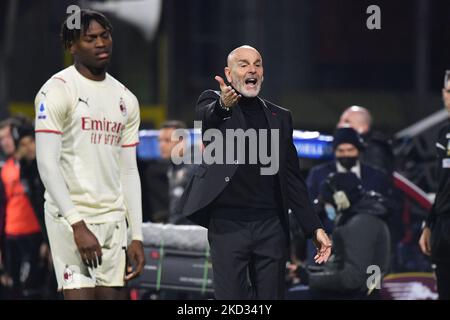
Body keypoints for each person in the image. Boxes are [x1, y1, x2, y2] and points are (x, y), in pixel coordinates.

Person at [177, 45, 332, 300]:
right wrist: (223, 106)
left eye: (257, 64)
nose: (252, 69)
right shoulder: (212, 102)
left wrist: (314, 227)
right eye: (244, 64)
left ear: (263, 73)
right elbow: (208, 120)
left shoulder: (281, 117)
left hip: (271, 226)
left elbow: (292, 178)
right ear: (229, 73)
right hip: (228, 225)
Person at [34, 9, 144, 300]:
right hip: (70, 218)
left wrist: (137, 235)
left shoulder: (126, 99)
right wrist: (77, 224)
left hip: (114, 222)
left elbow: (129, 171)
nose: (100, 43)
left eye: (105, 36)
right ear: (72, 46)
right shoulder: (56, 91)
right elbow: (47, 164)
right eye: (90, 38)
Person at [291, 172, 391, 299]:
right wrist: (307, 272)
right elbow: (341, 265)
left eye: (327, 201)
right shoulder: (362, 220)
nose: (326, 207)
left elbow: (352, 279)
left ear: (340, 198)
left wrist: (309, 279)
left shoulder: (360, 224)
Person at [0, 118, 44, 299]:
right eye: (1, 139)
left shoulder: (32, 164)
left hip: (33, 233)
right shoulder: (5, 168)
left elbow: (40, 202)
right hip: (11, 234)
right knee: (14, 288)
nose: (5, 142)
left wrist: (46, 240)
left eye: (8, 137)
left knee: (34, 287)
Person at [419, 70, 450, 300]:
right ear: (443, 94)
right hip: (443, 231)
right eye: (449, 92)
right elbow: (443, 186)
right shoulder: (443, 134)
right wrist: (429, 224)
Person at [338, 106, 394, 174]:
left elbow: (373, 180)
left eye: (347, 121)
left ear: (364, 127)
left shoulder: (374, 148)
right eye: (340, 121)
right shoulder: (343, 145)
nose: (340, 125)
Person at [158, 120, 195, 224]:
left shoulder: (197, 167)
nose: (162, 145)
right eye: (160, 140)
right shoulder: (172, 167)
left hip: (193, 234)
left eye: (167, 140)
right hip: (178, 232)